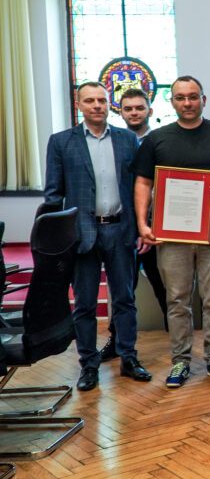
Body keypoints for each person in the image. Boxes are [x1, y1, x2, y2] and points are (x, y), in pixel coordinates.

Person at [133, 75, 210, 388]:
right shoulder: (157, 139)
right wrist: (143, 223)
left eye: (193, 97)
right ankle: (180, 362)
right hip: (173, 236)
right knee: (177, 300)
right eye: (180, 98)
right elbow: (143, 182)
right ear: (172, 102)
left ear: (203, 100)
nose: (187, 103)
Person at [43, 82, 151, 391]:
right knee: (86, 304)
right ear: (78, 105)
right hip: (81, 235)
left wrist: (142, 226)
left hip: (121, 230)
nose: (97, 106)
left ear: (109, 105)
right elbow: (53, 195)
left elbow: (140, 188)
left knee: (125, 300)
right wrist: (58, 239)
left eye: (102, 100)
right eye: (89, 101)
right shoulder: (62, 142)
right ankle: (88, 365)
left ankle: (129, 357)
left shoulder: (128, 140)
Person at [99, 87, 168, 363]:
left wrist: (151, 224)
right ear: (120, 111)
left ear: (149, 110)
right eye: (128, 108)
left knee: (165, 287)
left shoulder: (162, 140)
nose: (134, 113)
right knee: (122, 289)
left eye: (139, 107)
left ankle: (179, 345)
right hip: (124, 229)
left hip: (159, 229)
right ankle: (117, 341)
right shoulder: (115, 142)